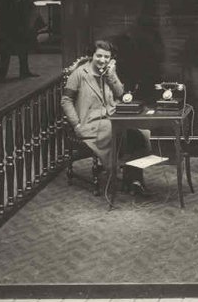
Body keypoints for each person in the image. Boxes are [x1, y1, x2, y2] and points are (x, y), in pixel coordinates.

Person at [61, 40, 152, 197]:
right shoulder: (80, 74)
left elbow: (120, 94)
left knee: (140, 132)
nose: (102, 60)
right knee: (119, 132)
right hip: (91, 122)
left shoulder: (108, 72)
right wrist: (76, 124)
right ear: (92, 55)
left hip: (112, 116)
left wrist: (111, 75)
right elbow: (66, 100)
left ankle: (134, 179)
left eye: (106, 57)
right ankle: (125, 176)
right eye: (99, 56)